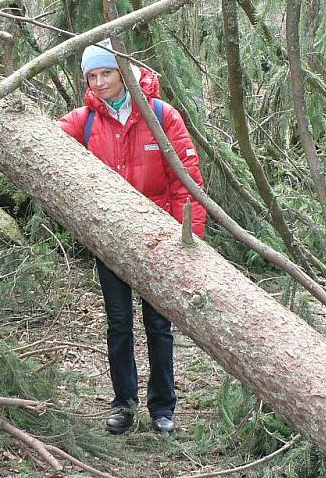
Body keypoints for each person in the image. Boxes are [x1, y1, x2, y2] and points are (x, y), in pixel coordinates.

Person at [58, 39, 206, 435]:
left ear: (123, 72)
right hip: (110, 240)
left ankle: (163, 408)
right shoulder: (83, 121)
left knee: (159, 324)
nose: (100, 81)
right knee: (119, 323)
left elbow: (186, 180)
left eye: (106, 72)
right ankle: (123, 404)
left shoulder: (160, 115)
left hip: (160, 239)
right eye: (93, 76)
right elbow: (46, 144)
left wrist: (189, 238)